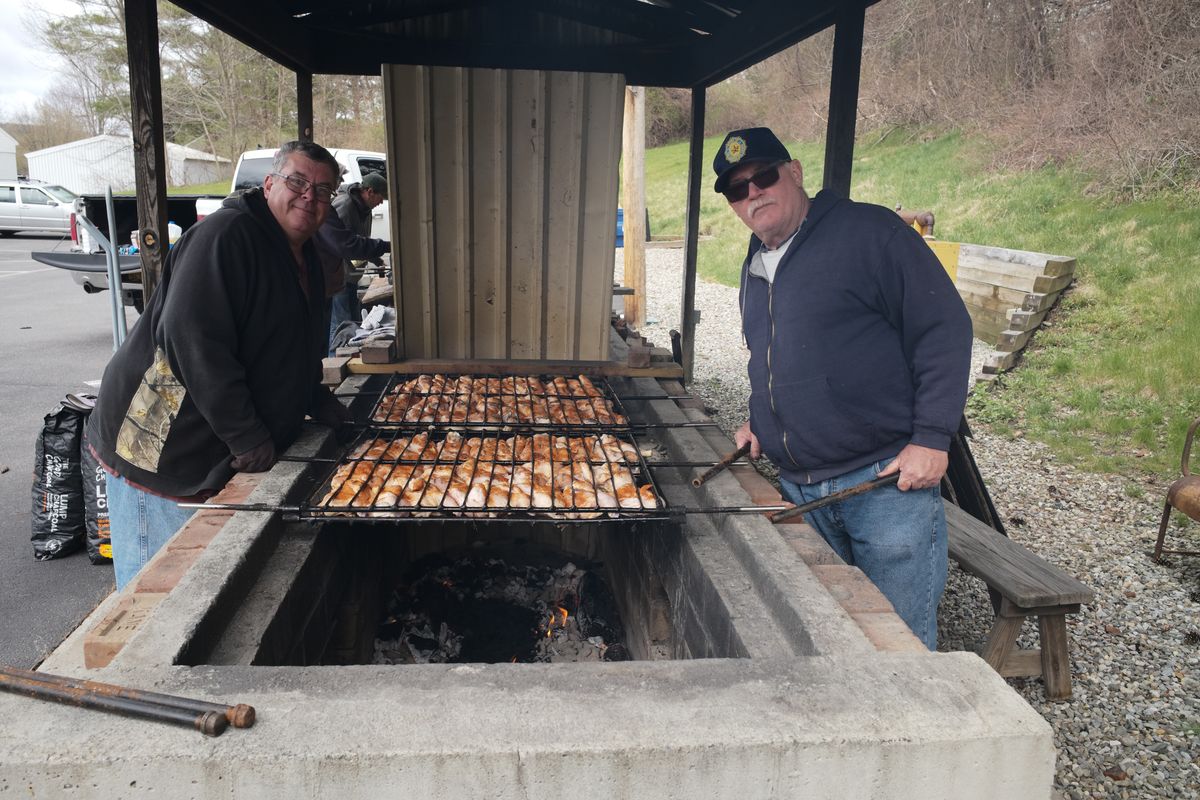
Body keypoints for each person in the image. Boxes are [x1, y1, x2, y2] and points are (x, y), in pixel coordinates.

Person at [714, 127, 972, 650]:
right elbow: (766, 356)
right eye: (737, 189)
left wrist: (932, 438)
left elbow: (944, 328)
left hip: (882, 486)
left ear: (795, 172)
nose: (753, 193)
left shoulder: (869, 232)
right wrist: (759, 420)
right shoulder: (755, 262)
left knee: (899, 645)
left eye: (763, 176)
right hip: (799, 490)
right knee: (828, 639)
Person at [87, 140, 352, 590]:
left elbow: (291, 343)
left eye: (323, 190)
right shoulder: (226, 237)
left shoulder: (302, 250)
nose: (310, 196)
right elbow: (192, 342)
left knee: (204, 581)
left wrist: (315, 397)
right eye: (298, 182)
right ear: (269, 184)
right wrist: (248, 437)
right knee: (155, 596)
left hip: (215, 441)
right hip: (162, 438)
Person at [322, 170, 390, 355]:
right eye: (381, 197)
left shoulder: (364, 209)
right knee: (341, 325)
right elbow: (344, 244)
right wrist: (383, 246)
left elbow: (360, 241)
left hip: (351, 276)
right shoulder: (344, 205)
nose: (381, 202)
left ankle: (351, 361)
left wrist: (374, 258)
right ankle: (335, 367)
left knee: (353, 322)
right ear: (369, 191)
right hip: (339, 275)